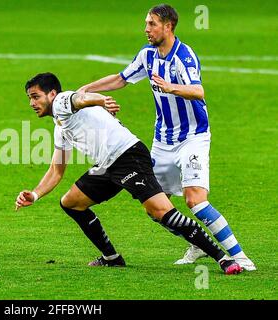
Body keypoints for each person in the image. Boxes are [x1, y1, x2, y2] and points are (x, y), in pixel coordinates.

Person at [77, 4, 256, 271]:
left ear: (168, 26)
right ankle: (199, 244)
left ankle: (239, 256)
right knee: (154, 207)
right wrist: (87, 89)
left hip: (192, 137)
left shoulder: (184, 56)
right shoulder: (147, 55)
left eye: (152, 24)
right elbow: (122, 78)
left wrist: (170, 87)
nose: (146, 29)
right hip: (162, 141)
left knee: (195, 199)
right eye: (146, 23)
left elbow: (198, 91)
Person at [15, 72, 242, 275]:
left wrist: (101, 99)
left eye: (35, 97)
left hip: (128, 156)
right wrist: (34, 195)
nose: (32, 103)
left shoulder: (63, 102)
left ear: (52, 94)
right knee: (71, 202)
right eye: (29, 99)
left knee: (160, 210)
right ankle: (112, 258)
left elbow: (80, 98)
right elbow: (56, 170)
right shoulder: (60, 127)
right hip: (107, 166)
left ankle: (222, 258)